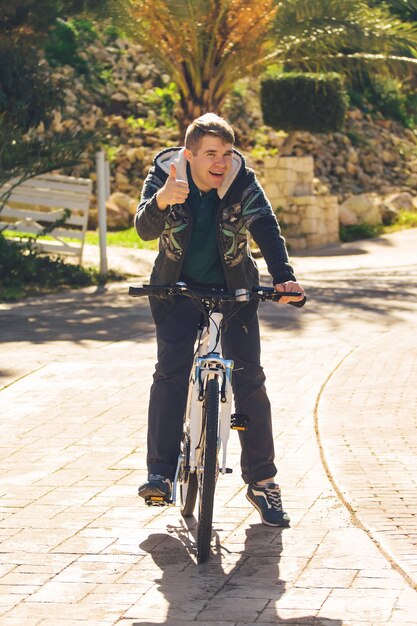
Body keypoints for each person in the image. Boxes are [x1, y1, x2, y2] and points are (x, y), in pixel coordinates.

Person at [135, 113, 305, 527]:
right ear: (189, 154)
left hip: (236, 293)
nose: (221, 162)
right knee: (170, 374)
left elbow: (265, 225)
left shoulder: (241, 181)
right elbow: (142, 228)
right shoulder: (165, 175)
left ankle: (262, 482)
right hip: (176, 291)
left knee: (249, 380)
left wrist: (283, 278)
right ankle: (160, 474)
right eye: (211, 153)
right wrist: (162, 201)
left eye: (226, 153)